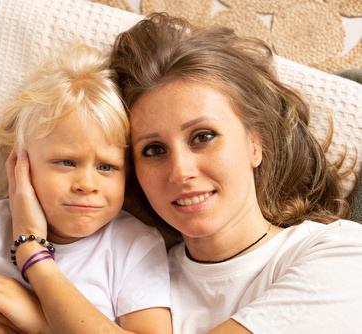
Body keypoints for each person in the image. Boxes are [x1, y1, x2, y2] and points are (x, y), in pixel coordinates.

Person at [107, 12, 362, 334]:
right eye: (153, 150)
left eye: (203, 136)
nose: (181, 171)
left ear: (256, 143)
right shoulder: (129, 277)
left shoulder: (342, 250)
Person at [0, 42, 172, 334]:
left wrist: (40, 321)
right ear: (20, 163)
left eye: (106, 167)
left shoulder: (136, 243)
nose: (87, 184)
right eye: (66, 162)